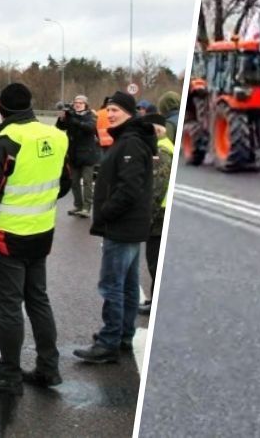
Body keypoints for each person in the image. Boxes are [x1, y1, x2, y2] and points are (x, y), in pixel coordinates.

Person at [0, 82, 71, 394]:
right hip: (42, 233)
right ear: (30, 104)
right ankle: (48, 368)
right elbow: (64, 183)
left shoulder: (3, 142)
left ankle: (9, 376)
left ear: (0, 107)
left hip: (6, 238)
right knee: (38, 300)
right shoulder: (56, 136)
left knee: (10, 307)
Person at [74, 91, 156, 363]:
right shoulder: (130, 139)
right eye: (108, 110)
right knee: (129, 285)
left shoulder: (130, 143)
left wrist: (106, 212)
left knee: (111, 285)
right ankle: (122, 334)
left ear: (130, 113)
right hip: (130, 226)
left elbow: (129, 188)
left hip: (122, 226)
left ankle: (109, 341)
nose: (109, 114)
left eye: (116, 110)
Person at [140, 113, 174, 315]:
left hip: (159, 217)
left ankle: (156, 304)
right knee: (153, 260)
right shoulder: (162, 147)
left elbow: (157, 188)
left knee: (155, 262)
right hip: (159, 215)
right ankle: (153, 299)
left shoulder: (161, 151)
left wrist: (147, 216)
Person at [57, 94, 102, 218]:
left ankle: (87, 208)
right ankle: (78, 206)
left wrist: (74, 120)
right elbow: (60, 127)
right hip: (73, 154)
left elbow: (90, 128)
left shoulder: (90, 115)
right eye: (76, 102)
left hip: (88, 154)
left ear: (85, 105)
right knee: (74, 182)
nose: (77, 104)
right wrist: (61, 119)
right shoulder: (70, 115)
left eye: (80, 102)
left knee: (87, 182)